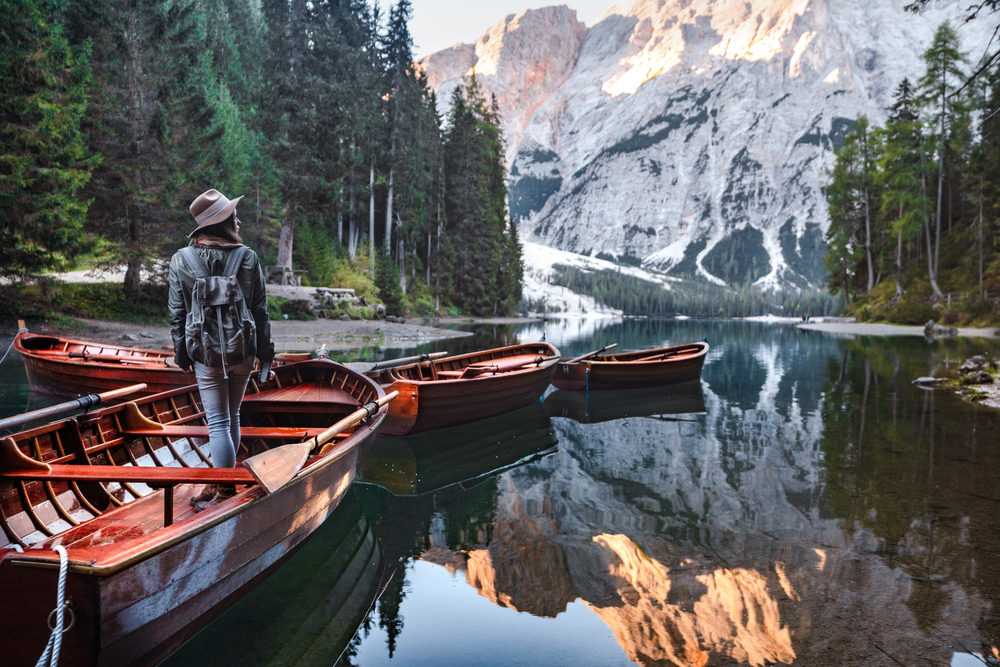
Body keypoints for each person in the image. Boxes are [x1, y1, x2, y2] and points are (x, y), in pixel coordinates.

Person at [168, 189, 275, 511]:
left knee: (217, 421)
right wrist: (265, 352)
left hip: (205, 351)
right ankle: (219, 484)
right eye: (233, 214)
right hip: (243, 348)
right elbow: (260, 310)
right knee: (232, 416)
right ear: (225, 222)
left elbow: (177, 314)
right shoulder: (248, 257)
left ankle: (224, 489)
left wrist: (182, 355)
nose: (238, 218)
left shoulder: (181, 259)